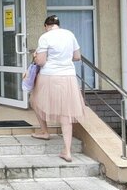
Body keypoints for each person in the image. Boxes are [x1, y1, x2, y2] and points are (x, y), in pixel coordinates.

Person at [30, 15, 88, 162]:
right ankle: (67, 151)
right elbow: (77, 56)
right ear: (58, 25)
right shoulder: (69, 34)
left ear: (46, 26)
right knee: (66, 113)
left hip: (49, 76)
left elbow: (41, 61)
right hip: (68, 77)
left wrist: (35, 56)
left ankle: (44, 131)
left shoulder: (45, 37)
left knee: (35, 101)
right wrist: (64, 59)